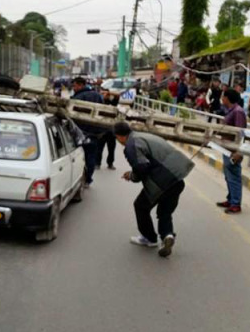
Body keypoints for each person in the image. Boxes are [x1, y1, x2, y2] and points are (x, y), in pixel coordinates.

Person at [114, 121, 194, 257]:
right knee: (165, 212)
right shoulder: (144, 136)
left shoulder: (131, 145)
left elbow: (141, 168)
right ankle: (167, 236)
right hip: (177, 179)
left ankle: (149, 238)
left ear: (120, 136)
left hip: (161, 182)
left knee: (140, 206)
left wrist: (132, 176)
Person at [216, 89, 248, 214]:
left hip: (233, 150)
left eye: (223, 97)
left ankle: (236, 203)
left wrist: (238, 152)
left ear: (227, 98)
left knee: (234, 176)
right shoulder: (230, 111)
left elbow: (241, 133)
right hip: (226, 148)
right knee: (228, 176)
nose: (221, 99)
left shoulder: (238, 112)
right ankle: (230, 199)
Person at [71, 77, 104, 188]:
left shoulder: (77, 97)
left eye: (74, 86)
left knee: (78, 157)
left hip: (79, 133)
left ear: (81, 85)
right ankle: (88, 180)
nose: (74, 88)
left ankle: (78, 180)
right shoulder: (97, 95)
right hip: (94, 134)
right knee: (91, 157)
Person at [97, 88, 118, 170]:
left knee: (111, 149)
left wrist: (108, 92)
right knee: (99, 149)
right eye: (104, 94)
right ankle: (97, 163)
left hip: (111, 131)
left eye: (108, 95)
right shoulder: (99, 102)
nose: (106, 96)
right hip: (101, 130)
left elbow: (118, 95)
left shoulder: (112, 103)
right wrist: (102, 94)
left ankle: (110, 163)